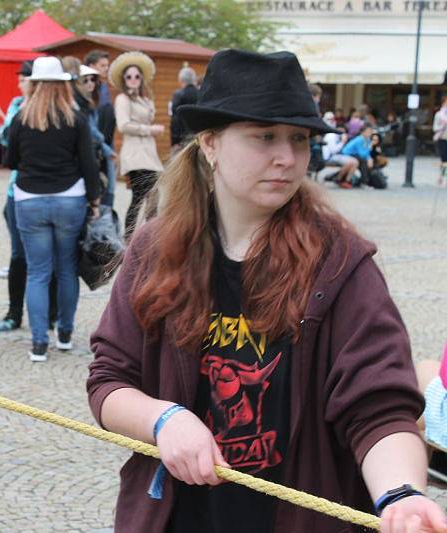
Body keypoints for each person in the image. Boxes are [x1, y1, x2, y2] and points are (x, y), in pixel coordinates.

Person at [87, 49, 447, 532]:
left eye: (298, 139)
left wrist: (400, 493)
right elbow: (109, 381)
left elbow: (379, 407)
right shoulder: (155, 248)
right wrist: (163, 419)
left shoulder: (339, 260)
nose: (287, 157)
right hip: (177, 518)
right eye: (264, 137)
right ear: (211, 143)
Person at [5, 56, 101, 361]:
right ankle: (64, 333)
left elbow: (10, 162)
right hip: (69, 198)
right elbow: (89, 163)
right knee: (67, 268)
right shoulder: (75, 119)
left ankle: (37, 344)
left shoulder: (22, 118)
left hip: (29, 199)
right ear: (62, 85)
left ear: (33, 85)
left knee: (37, 272)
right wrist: (95, 200)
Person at [0, 61, 57, 333]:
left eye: (25, 79)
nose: (22, 83)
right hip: (17, 192)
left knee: (51, 257)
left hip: (52, 191)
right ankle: (14, 312)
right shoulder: (17, 105)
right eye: (21, 79)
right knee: (19, 255)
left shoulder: (59, 110)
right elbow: (5, 138)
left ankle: (51, 314)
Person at [110, 51, 164, 239]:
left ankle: (152, 236)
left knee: (154, 196)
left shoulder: (145, 99)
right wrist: (149, 130)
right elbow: (123, 125)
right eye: (129, 76)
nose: (133, 79)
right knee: (140, 196)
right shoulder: (122, 99)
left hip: (149, 153)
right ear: (124, 79)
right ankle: (130, 237)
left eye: (137, 76)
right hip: (135, 155)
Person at [84, 50, 117, 204]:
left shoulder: (104, 88)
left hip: (106, 140)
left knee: (109, 187)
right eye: (102, 65)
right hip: (94, 144)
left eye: (107, 65)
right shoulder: (87, 90)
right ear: (91, 66)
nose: (106, 69)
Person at [322, 111, 359, 189]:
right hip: (329, 157)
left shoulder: (336, 135)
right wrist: (342, 142)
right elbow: (333, 151)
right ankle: (339, 179)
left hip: (335, 156)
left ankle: (344, 180)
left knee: (354, 162)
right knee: (352, 162)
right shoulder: (331, 136)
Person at [170, 65, 199, 152]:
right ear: (194, 79)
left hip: (182, 139)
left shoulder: (178, 94)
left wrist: (174, 141)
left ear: (181, 80)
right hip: (198, 137)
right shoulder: (201, 93)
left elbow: (175, 119)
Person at [433, 95, 447, 186]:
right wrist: (442, 126)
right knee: (444, 159)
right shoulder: (439, 114)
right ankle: (442, 177)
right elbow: (435, 128)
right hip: (442, 138)